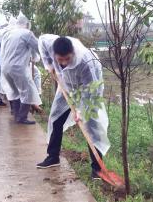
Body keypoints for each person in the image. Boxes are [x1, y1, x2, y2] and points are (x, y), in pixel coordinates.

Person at [36, 35, 110, 180]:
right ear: (54, 54)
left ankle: (97, 169)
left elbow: (91, 92)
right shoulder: (50, 44)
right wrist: (49, 65)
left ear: (73, 54)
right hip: (65, 83)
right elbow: (41, 40)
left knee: (91, 125)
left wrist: (81, 111)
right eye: (60, 59)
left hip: (87, 87)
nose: (63, 63)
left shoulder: (86, 63)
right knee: (56, 118)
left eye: (67, 59)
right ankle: (53, 157)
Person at [0, 13, 41, 124]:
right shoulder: (27, 33)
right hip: (17, 68)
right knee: (27, 92)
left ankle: (16, 114)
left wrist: (34, 57)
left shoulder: (8, 33)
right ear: (27, 24)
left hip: (5, 67)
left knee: (15, 91)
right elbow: (38, 48)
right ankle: (22, 118)